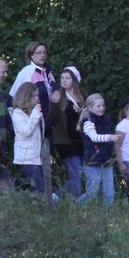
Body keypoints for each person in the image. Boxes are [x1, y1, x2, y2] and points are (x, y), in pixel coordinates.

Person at [76, 93, 122, 204]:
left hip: (106, 160)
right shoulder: (88, 122)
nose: (101, 108)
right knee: (92, 192)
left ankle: (108, 212)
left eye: (103, 105)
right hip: (92, 162)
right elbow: (94, 137)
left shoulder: (105, 120)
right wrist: (109, 137)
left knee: (109, 192)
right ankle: (76, 206)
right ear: (90, 107)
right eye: (98, 106)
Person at [48, 67, 87, 197]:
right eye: (62, 78)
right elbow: (52, 120)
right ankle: (64, 200)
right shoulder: (58, 97)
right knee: (77, 177)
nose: (63, 81)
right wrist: (53, 104)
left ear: (74, 80)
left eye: (67, 78)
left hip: (82, 142)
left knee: (82, 176)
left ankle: (57, 198)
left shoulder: (83, 96)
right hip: (66, 143)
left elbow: (92, 116)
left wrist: (82, 112)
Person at [11, 82, 48, 194]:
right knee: (39, 186)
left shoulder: (34, 112)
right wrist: (35, 114)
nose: (37, 98)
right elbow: (25, 132)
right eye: (33, 96)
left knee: (38, 185)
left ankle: (22, 199)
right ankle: (25, 200)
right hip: (26, 156)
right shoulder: (18, 113)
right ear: (25, 97)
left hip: (37, 154)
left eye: (37, 95)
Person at [11, 41, 57, 117]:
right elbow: (14, 97)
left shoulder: (49, 73)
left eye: (44, 52)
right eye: (39, 53)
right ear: (31, 55)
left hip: (50, 117)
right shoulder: (26, 72)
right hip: (33, 118)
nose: (42, 55)